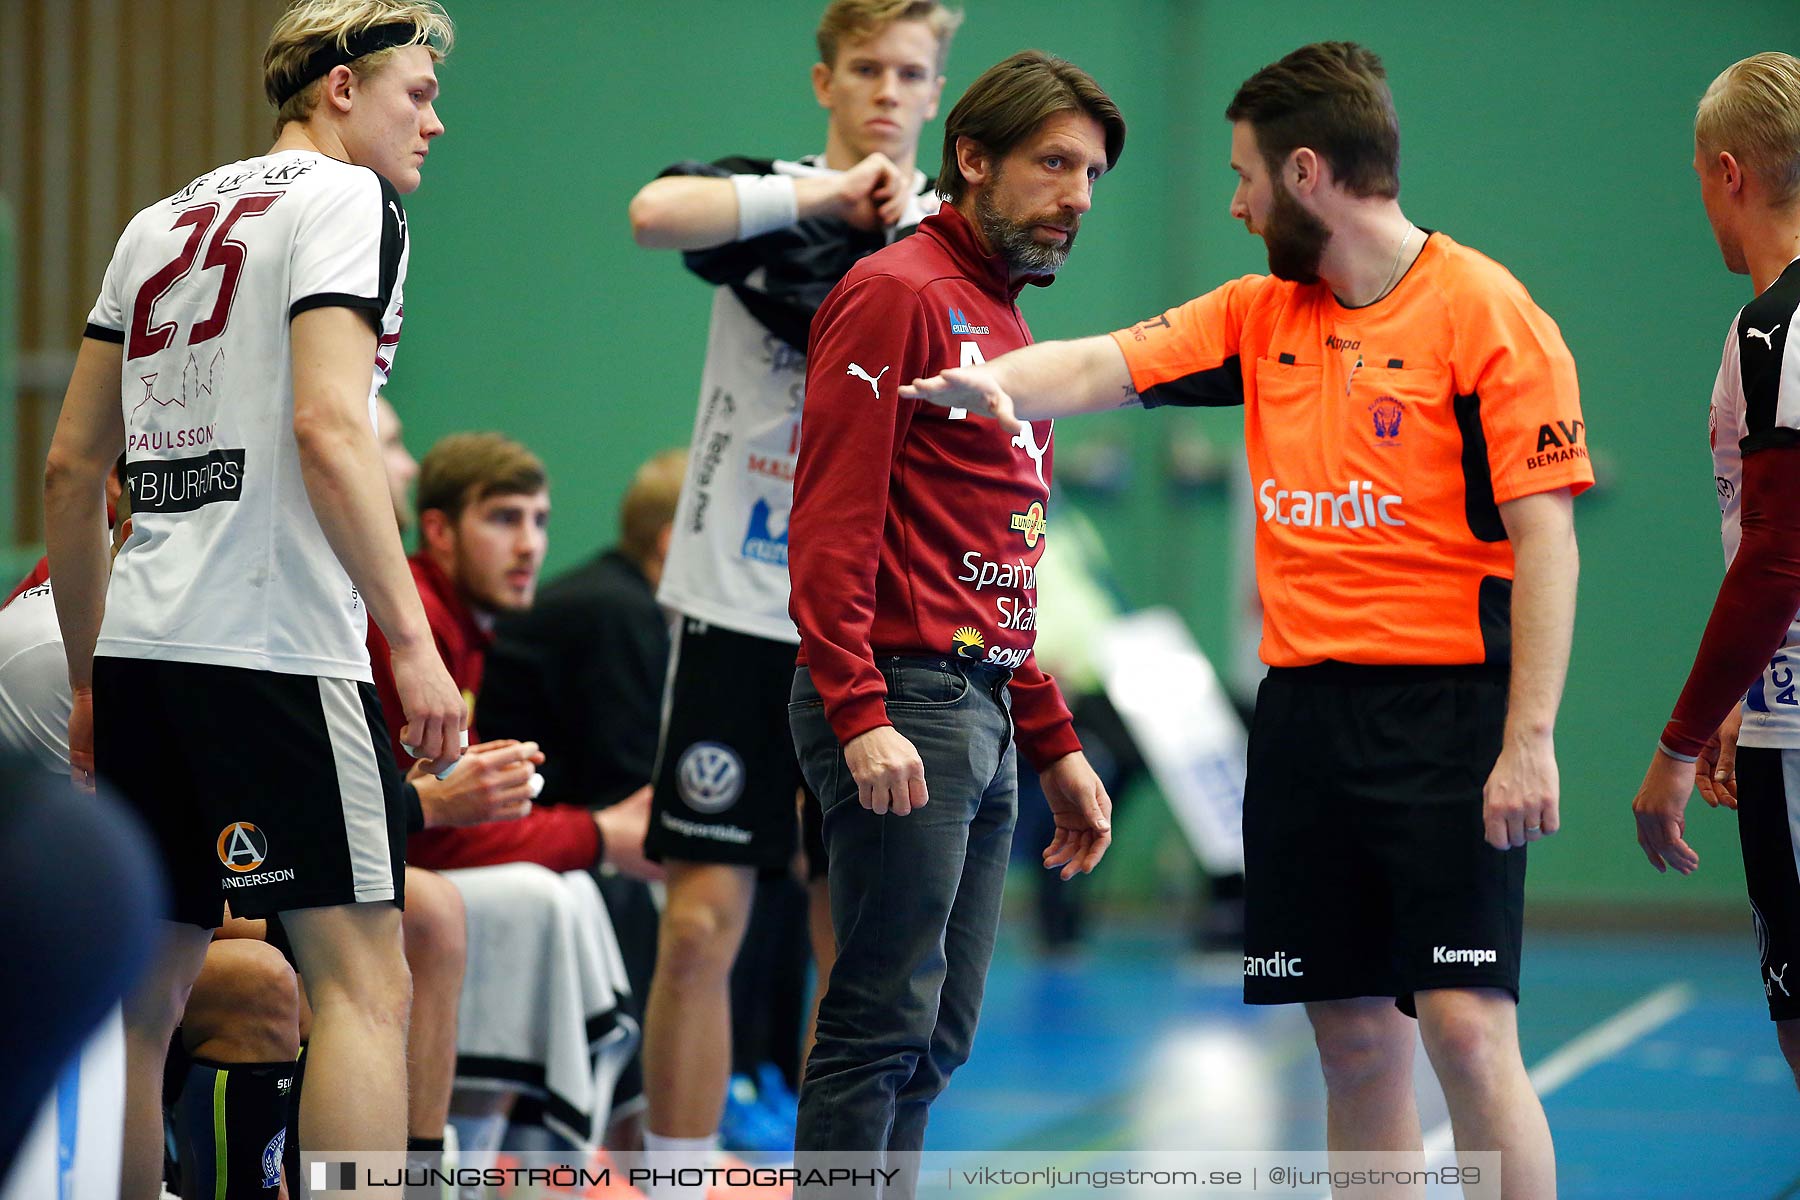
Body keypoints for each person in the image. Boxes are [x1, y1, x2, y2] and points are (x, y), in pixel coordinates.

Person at [905, 41, 1591, 1198]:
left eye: (1246, 177)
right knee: (1353, 1037)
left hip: (1451, 717)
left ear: (1308, 173)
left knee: (1468, 1033)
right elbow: (1101, 365)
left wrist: (1530, 739)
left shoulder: (1489, 315)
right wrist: (985, 378)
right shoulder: (1262, 314)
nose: (1234, 203)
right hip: (1305, 722)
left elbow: (1548, 543)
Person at [41, 3, 467, 1194]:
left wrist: (87, 675)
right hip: (275, 650)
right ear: (339, 88)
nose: (435, 122)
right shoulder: (348, 203)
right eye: (417, 93)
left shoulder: (157, 219)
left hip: (141, 650)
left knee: (143, 1005)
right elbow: (332, 425)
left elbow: (72, 473)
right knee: (366, 990)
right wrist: (414, 643)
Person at [624, 1, 960, 1184]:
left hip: (877, 628)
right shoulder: (765, 194)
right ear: (825, 77)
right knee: (703, 923)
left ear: (935, 91)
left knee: (851, 937)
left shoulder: (949, 242)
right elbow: (651, 215)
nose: (885, 87)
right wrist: (829, 197)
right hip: (734, 605)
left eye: (909, 71)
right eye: (865, 65)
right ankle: (674, 1170)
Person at [787, 50, 1121, 1179]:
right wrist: (857, 705)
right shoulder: (897, 294)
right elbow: (834, 522)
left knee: (933, 1040)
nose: (1078, 196)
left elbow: (1001, 571)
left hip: (979, 704)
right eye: (1054, 164)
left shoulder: (1012, 331)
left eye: (1092, 176)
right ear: (971, 158)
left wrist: (1057, 742)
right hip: (901, 697)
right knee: (878, 1025)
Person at [1630, 50, 1800, 1092]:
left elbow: (1781, 554)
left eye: (1699, 178)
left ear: (1729, 173)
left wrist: (1680, 743)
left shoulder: (1778, 329)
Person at [366, 431, 657, 879]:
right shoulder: (415, 624)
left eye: (539, 521)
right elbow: (429, 827)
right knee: (543, 892)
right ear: (439, 531)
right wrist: (599, 834)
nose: (530, 545)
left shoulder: (467, 627)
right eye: (505, 519)